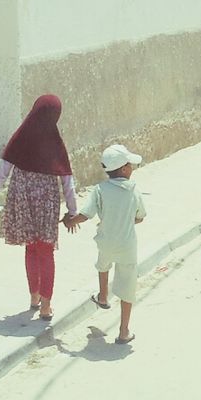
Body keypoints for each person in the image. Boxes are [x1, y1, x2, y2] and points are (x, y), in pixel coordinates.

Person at [0, 94, 78, 321]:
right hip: (46, 205)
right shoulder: (55, 143)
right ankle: (45, 306)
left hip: (22, 201)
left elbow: (2, 171)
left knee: (31, 248)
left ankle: (34, 298)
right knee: (45, 251)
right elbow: (67, 181)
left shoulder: (21, 137)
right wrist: (73, 211)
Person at [64, 143, 145, 345]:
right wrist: (126, 220)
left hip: (106, 241)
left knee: (103, 265)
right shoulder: (134, 191)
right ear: (125, 169)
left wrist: (70, 221)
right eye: (131, 166)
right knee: (128, 285)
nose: (132, 169)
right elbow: (140, 217)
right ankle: (124, 331)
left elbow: (86, 214)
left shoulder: (99, 190)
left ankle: (102, 296)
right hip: (127, 245)